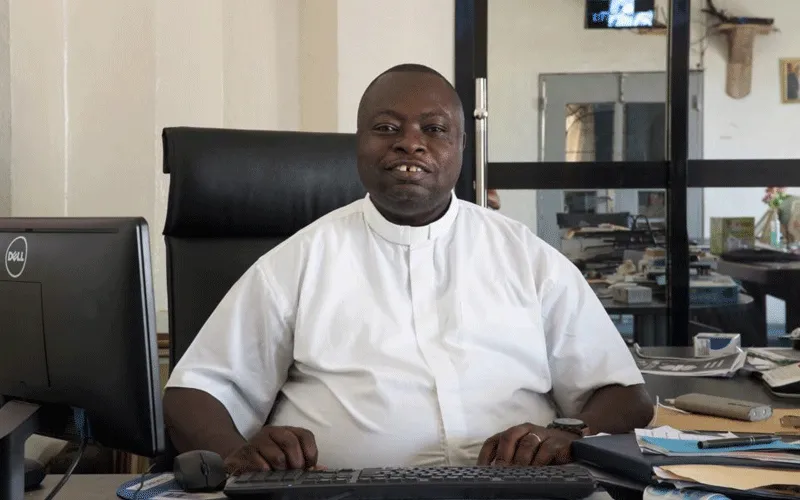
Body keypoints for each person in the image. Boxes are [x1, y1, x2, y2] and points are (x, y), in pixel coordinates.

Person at [163, 63, 653, 473]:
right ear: (359, 144)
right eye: (386, 128)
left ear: (461, 147)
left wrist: (569, 436)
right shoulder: (299, 260)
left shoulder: (526, 257)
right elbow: (195, 392)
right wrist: (238, 455)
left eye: (434, 129)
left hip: (515, 492)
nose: (410, 144)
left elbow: (624, 394)